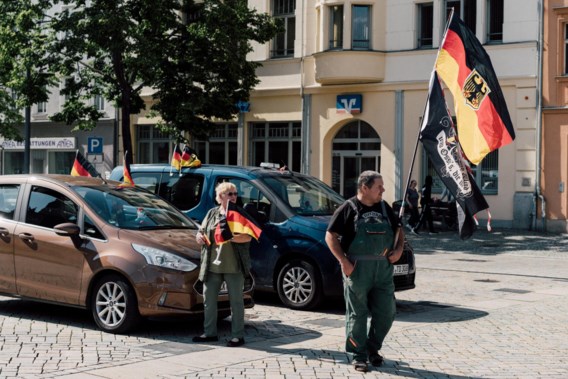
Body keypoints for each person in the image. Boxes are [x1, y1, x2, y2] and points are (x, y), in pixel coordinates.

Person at [325, 171, 404, 373]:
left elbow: (398, 230)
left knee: (387, 312)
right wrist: (343, 261)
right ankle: (358, 355)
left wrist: (399, 250)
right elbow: (330, 236)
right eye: (379, 186)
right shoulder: (348, 208)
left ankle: (372, 348)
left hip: (383, 269)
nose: (383, 190)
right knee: (357, 314)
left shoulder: (385, 208)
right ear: (364, 188)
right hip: (358, 269)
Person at [193, 182, 252, 347]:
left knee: (236, 302)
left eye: (235, 193)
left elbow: (248, 236)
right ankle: (210, 333)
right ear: (220, 197)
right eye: (230, 194)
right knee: (209, 300)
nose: (234, 196)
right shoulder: (212, 213)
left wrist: (231, 237)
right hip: (212, 266)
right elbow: (201, 231)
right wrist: (199, 237)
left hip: (234, 265)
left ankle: (237, 336)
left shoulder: (240, 214)